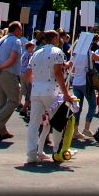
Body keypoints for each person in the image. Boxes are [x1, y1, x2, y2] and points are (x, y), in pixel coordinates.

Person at [25, 29, 76, 165]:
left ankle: (31, 154)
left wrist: (36, 83)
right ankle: (57, 151)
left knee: (34, 123)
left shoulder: (36, 52)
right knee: (58, 121)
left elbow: (27, 74)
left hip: (36, 90)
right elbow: (58, 73)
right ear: (55, 39)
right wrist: (66, 93)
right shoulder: (57, 52)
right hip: (51, 90)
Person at [0, 21, 24, 138]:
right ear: (16, 30)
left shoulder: (1, 40)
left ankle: (2, 130)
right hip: (8, 73)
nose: (21, 31)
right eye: (20, 29)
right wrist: (0, 67)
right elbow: (13, 59)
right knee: (14, 100)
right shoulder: (16, 41)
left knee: (1, 101)